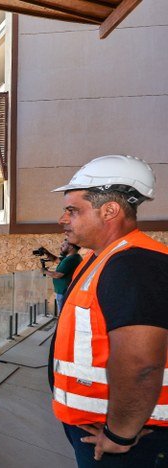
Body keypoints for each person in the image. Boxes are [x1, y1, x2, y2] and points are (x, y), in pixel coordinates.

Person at [48, 155, 168, 466]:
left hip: (126, 441)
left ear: (110, 210)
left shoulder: (134, 263)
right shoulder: (101, 258)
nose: (63, 219)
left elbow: (141, 364)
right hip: (100, 426)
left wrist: (120, 435)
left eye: (73, 210)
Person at [39, 240, 82, 312]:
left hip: (64, 292)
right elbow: (56, 260)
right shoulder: (74, 257)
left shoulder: (70, 260)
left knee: (63, 313)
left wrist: (45, 271)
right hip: (65, 291)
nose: (61, 247)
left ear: (70, 247)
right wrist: (46, 252)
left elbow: (57, 275)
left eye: (63, 246)